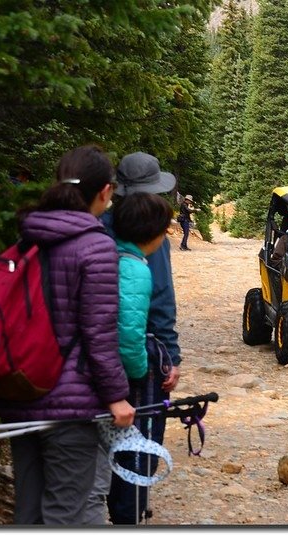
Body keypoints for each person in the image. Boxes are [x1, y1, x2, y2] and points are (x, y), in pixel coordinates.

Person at [0, 144, 135, 525]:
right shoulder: (96, 247)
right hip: (70, 404)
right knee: (65, 514)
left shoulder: (27, 238)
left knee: (28, 510)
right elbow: (99, 332)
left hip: (19, 392)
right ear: (105, 191)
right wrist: (117, 397)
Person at [95, 151, 183, 525]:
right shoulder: (151, 233)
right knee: (143, 431)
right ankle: (131, 509)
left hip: (95, 347)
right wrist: (171, 356)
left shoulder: (100, 225)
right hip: (140, 350)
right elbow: (160, 299)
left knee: (104, 431)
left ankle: (108, 505)